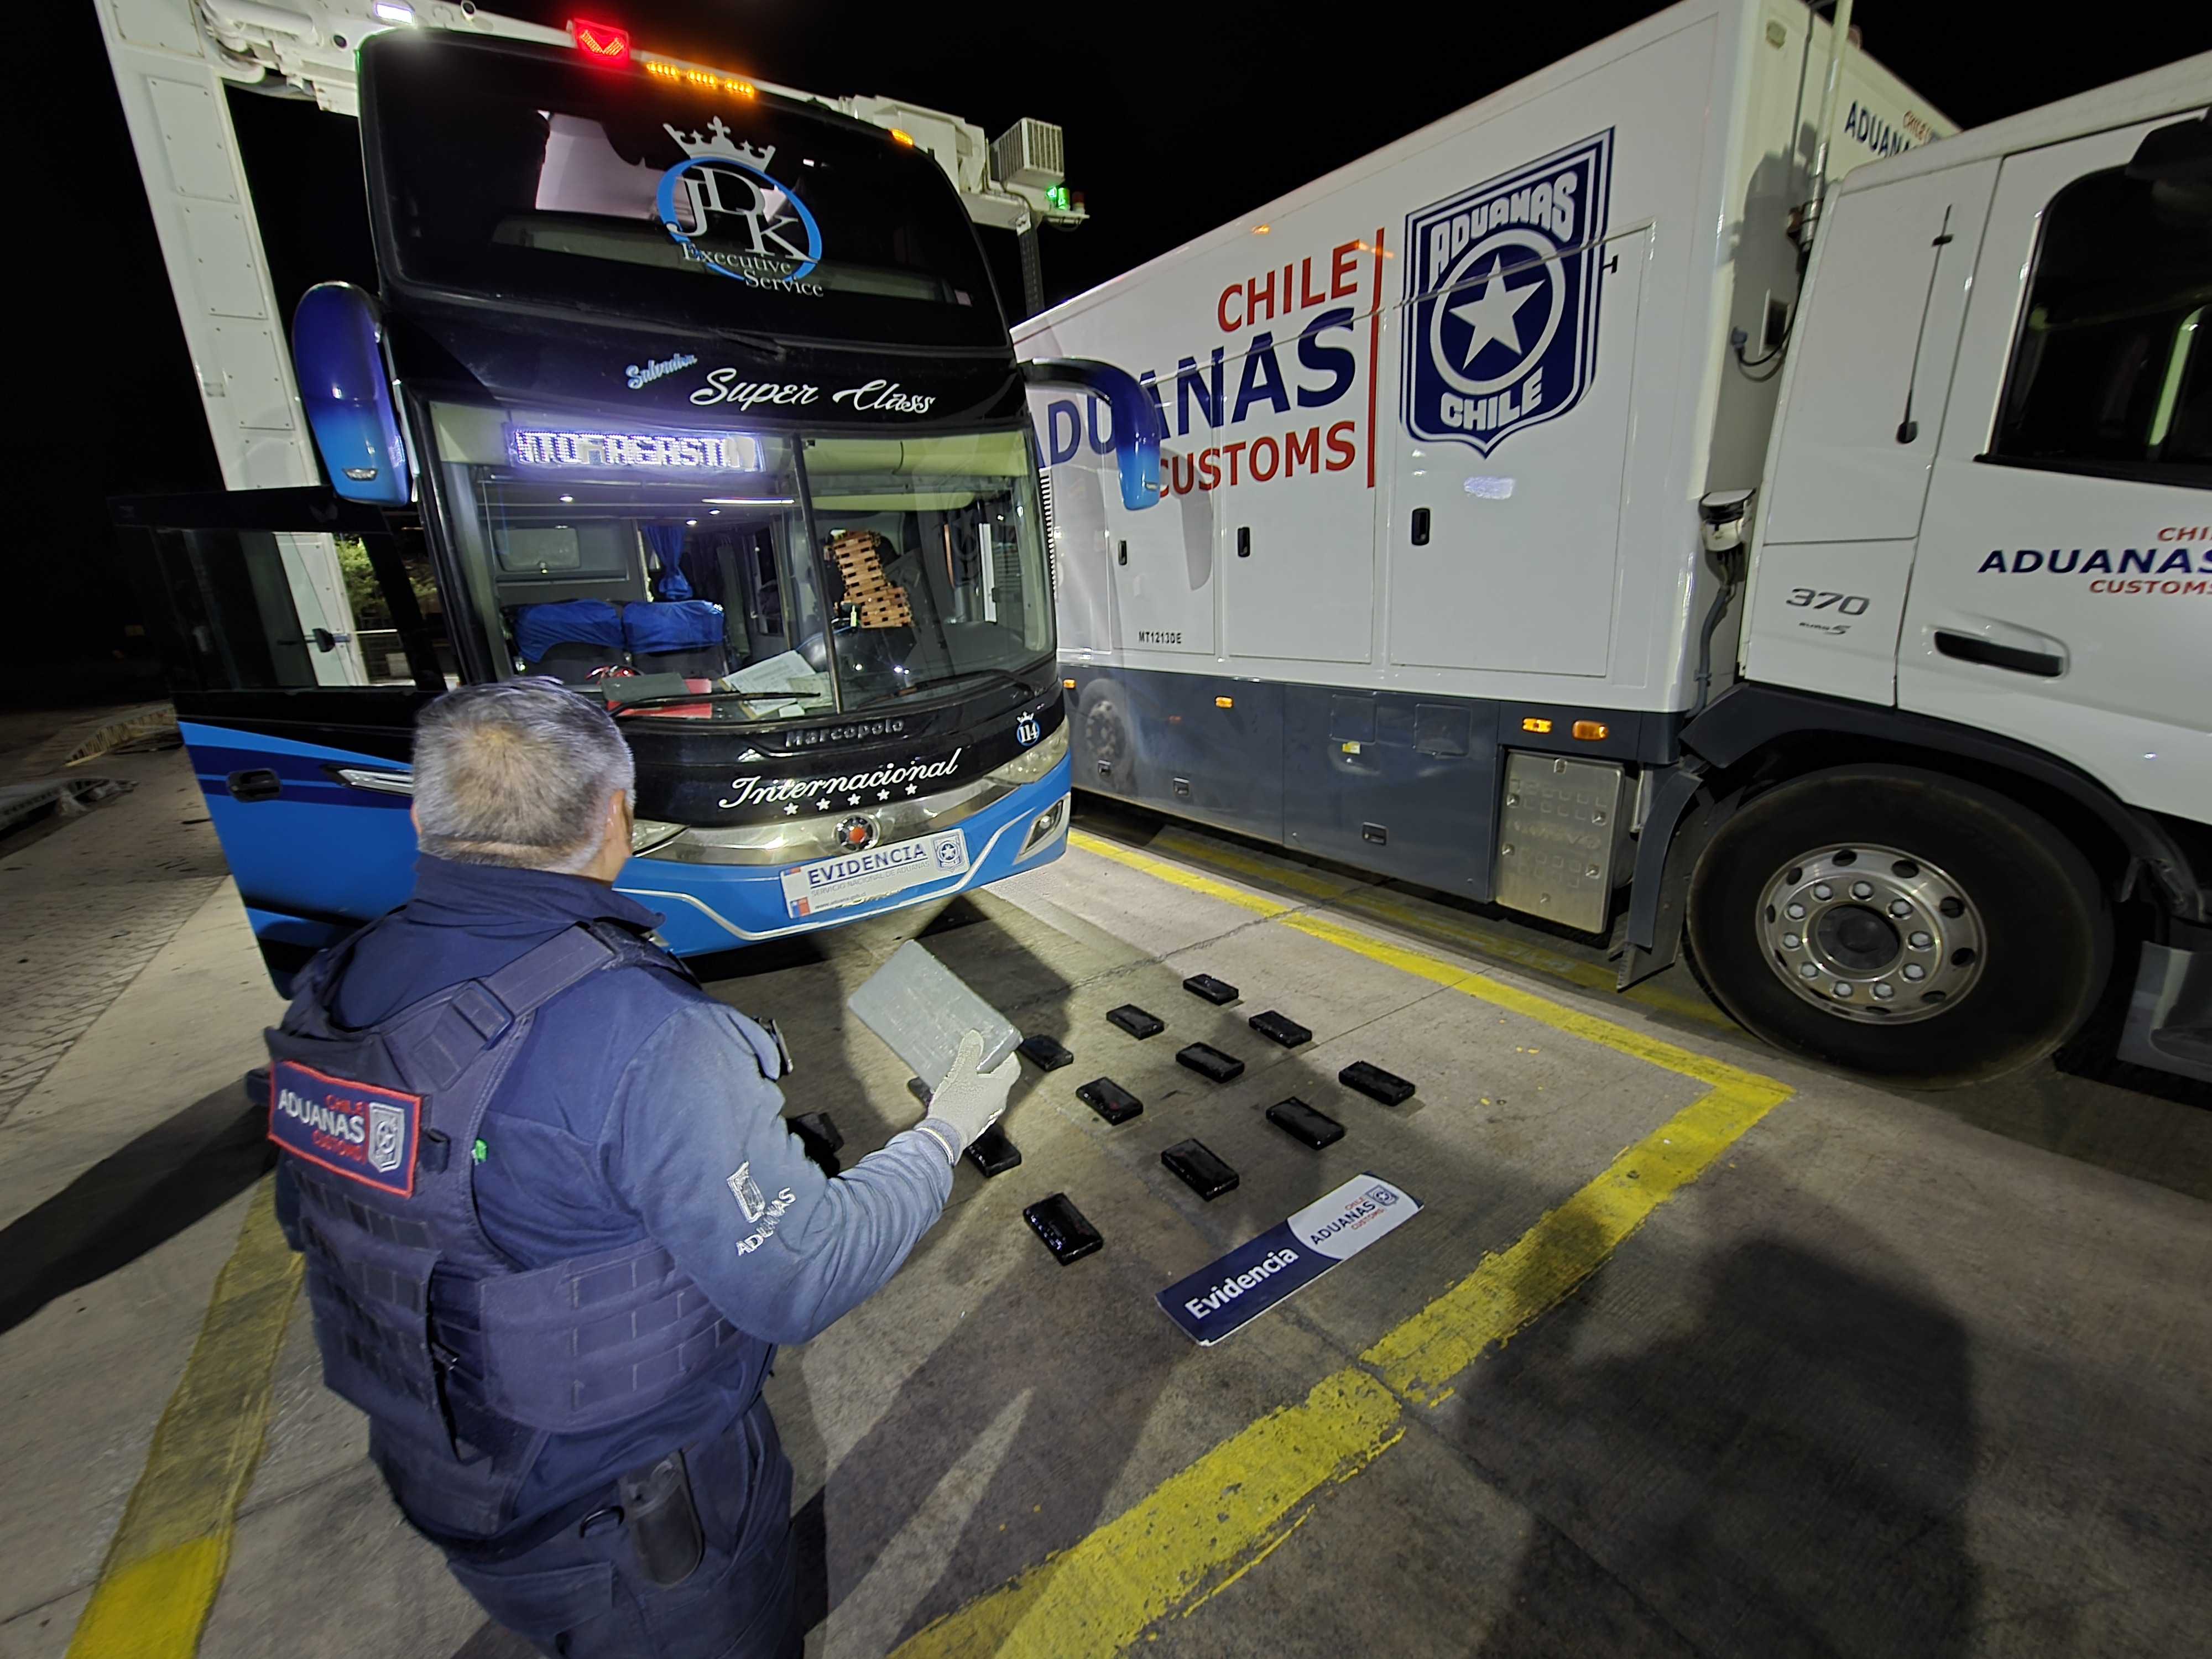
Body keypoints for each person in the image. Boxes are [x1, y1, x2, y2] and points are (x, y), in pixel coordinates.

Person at [264, 680, 1016, 1658]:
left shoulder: (339, 979)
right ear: (617, 818)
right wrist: (942, 1133)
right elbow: (801, 1277)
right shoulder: (643, 1033)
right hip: (636, 1511)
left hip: (444, 1466)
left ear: (421, 816)